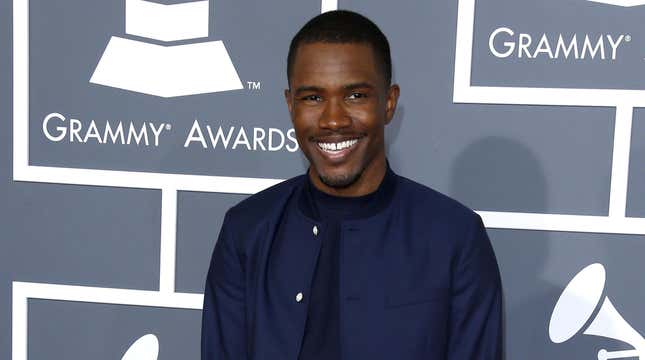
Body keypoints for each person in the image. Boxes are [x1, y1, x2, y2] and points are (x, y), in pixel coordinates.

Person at [201, 10, 502, 360]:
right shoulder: (247, 230)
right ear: (290, 106)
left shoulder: (455, 237)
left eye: (355, 96)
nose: (333, 120)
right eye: (313, 98)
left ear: (388, 103)